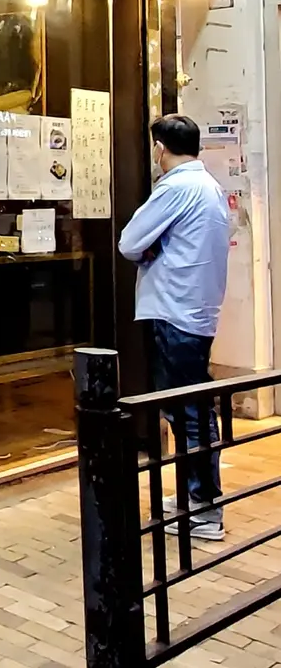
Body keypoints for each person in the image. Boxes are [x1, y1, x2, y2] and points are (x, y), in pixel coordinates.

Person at [119, 114, 230, 541]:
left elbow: (130, 242)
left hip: (173, 311)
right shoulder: (209, 186)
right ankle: (195, 496)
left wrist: (150, 250)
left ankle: (204, 507)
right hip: (197, 311)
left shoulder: (176, 187)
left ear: (160, 148)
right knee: (192, 408)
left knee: (188, 411)